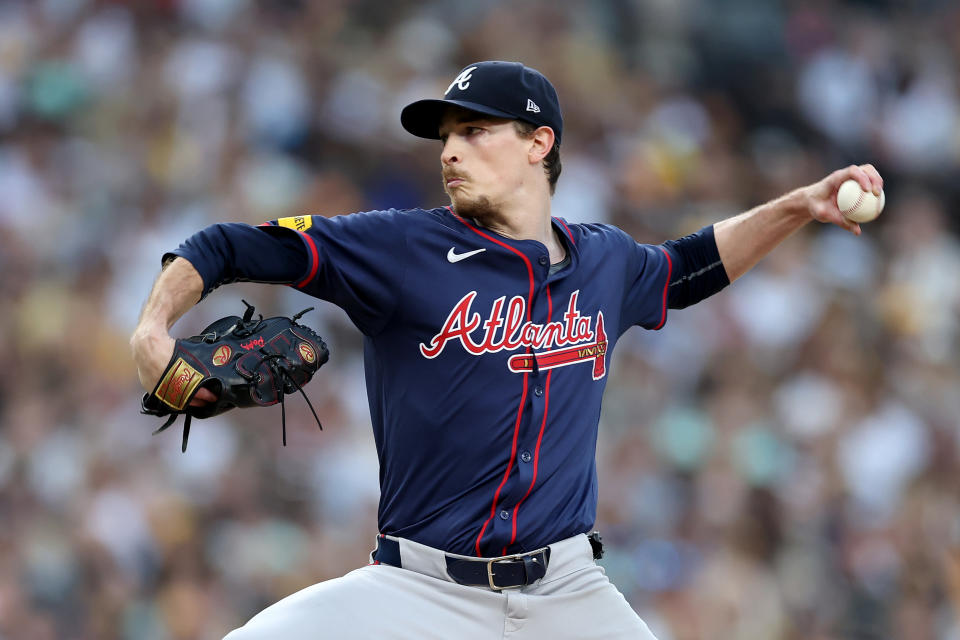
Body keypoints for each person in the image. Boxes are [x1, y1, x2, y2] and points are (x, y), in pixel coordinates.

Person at [130, 61, 883, 639]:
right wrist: (153, 328)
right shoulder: (402, 246)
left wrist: (795, 205)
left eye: (474, 131)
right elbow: (231, 245)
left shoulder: (604, 261)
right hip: (415, 592)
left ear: (538, 144)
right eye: (446, 136)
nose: (450, 151)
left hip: (568, 594)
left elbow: (686, 268)